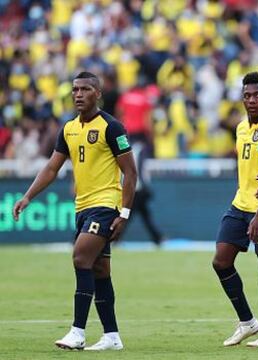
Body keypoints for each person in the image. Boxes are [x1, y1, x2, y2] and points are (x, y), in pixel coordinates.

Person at [13, 71, 137, 351]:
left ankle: (77, 332)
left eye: (84, 89)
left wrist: (124, 213)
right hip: (82, 207)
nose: (78, 94)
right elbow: (51, 168)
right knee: (99, 269)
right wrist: (28, 196)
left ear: (98, 94)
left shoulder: (112, 127)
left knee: (81, 258)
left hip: (105, 205)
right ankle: (112, 336)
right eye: (75, 90)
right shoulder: (68, 129)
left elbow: (130, 173)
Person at [211, 72, 258, 347]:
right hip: (239, 204)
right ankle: (247, 322)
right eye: (247, 96)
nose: (252, 100)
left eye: (257, 95)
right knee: (221, 261)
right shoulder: (241, 128)